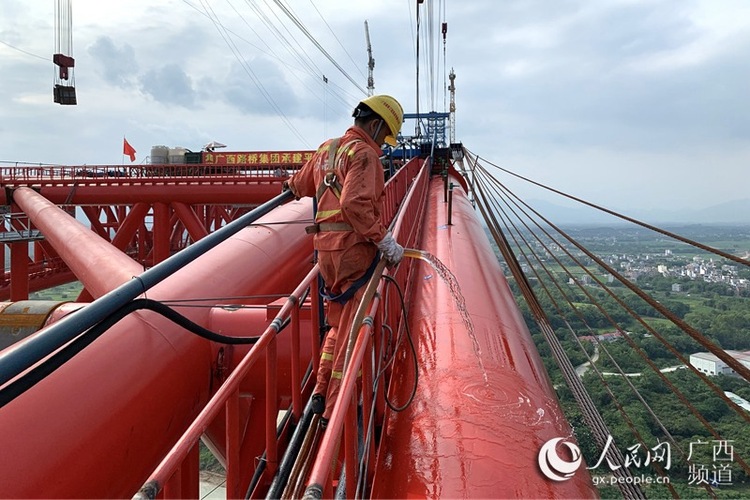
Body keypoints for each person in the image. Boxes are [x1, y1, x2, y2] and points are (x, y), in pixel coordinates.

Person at [283, 94, 405, 425]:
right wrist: (385, 240)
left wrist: (288, 185)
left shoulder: (329, 148)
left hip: (325, 252)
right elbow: (355, 204)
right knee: (353, 333)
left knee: (338, 324)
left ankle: (320, 390)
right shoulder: (365, 154)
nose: (384, 144)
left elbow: (300, 184)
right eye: (385, 136)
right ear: (377, 125)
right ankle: (338, 411)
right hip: (354, 252)